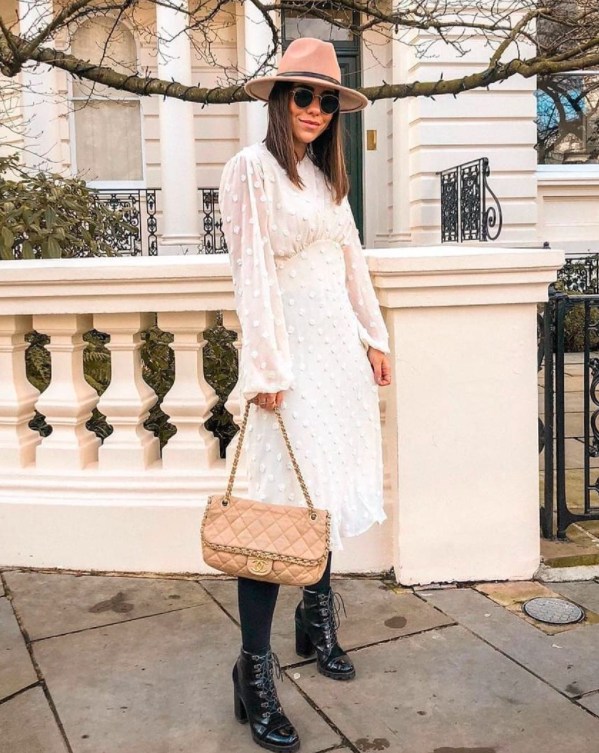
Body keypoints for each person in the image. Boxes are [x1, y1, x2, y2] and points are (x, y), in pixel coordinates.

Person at [218, 36, 392, 753]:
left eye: (327, 99)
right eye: (304, 95)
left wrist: (374, 338)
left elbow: (351, 265)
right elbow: (250, 275)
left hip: (339, 364)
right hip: (288, 369)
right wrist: (263, 371)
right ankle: (252, 672)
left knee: (323, 498)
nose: (317, 109)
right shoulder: (249, 170)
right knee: (275, 515)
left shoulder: (325, 180)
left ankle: (313, 618)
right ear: (278, 100)